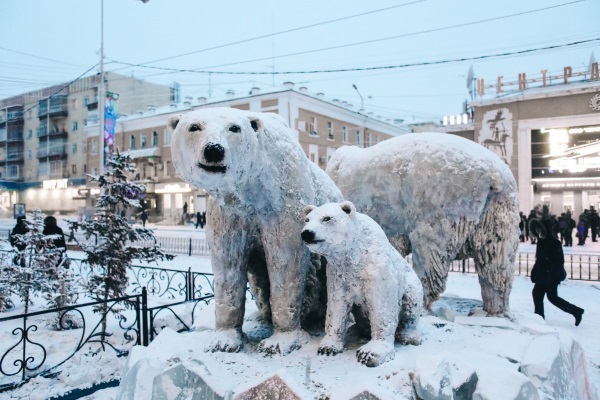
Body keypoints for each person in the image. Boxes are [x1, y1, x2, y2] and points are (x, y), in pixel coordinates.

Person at [529, 216, 584, 326]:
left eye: (540, 229)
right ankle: (539, 319)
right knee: (537, 294)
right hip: (542, 275)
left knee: (552, 298)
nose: (538, 231)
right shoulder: (541, 241)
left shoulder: (554, 242)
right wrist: (534, 272)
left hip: (551, 277)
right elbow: (539, 259)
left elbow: (559, 261)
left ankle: (576, 311)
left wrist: (551, 276)